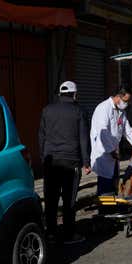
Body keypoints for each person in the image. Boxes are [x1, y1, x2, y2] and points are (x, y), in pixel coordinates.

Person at [39, 81, 91, 244]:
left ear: (60, 94)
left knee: (51, 199)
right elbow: (83, 138)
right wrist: (86, 161)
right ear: (74, 94)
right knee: (69, 200)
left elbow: (41, 136)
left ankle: (51, 234)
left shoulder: (47, 110)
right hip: (71, 162)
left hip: (51, 162)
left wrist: (43, 157)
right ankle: (69, 234)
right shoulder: (79, 111)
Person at [90, 86, 132, 195]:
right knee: (105, 185)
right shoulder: (104, 108)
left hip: (114, 154)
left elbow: (128, 132)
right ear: (118, 96)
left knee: (114, 185)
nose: (126, 104)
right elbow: (102, 132)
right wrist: (112, 150)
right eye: (125, 101)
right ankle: (104, 210)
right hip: (104, 153)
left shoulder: (121, 112)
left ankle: (112, 207)